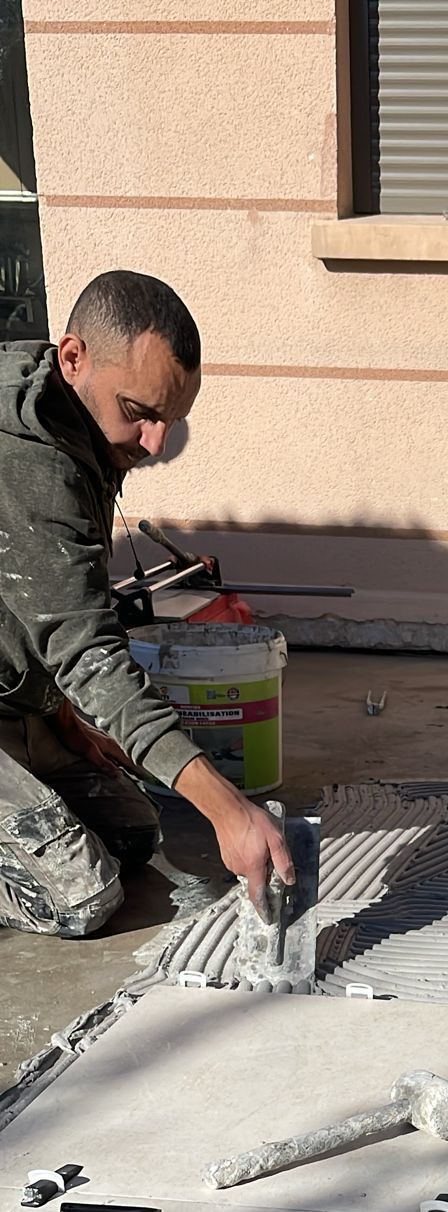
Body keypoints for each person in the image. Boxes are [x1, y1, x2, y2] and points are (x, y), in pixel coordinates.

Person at [0, 269, 291, 937]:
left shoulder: (74, 425)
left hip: (10, 695)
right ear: (73, 357)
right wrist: (229, 812)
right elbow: (88, 652)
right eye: (141, 412)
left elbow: (45, 606)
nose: (157, 443)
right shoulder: (27, 459)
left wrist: (60, 714)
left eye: (171, 419)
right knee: (80, 898)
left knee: (132, 834)